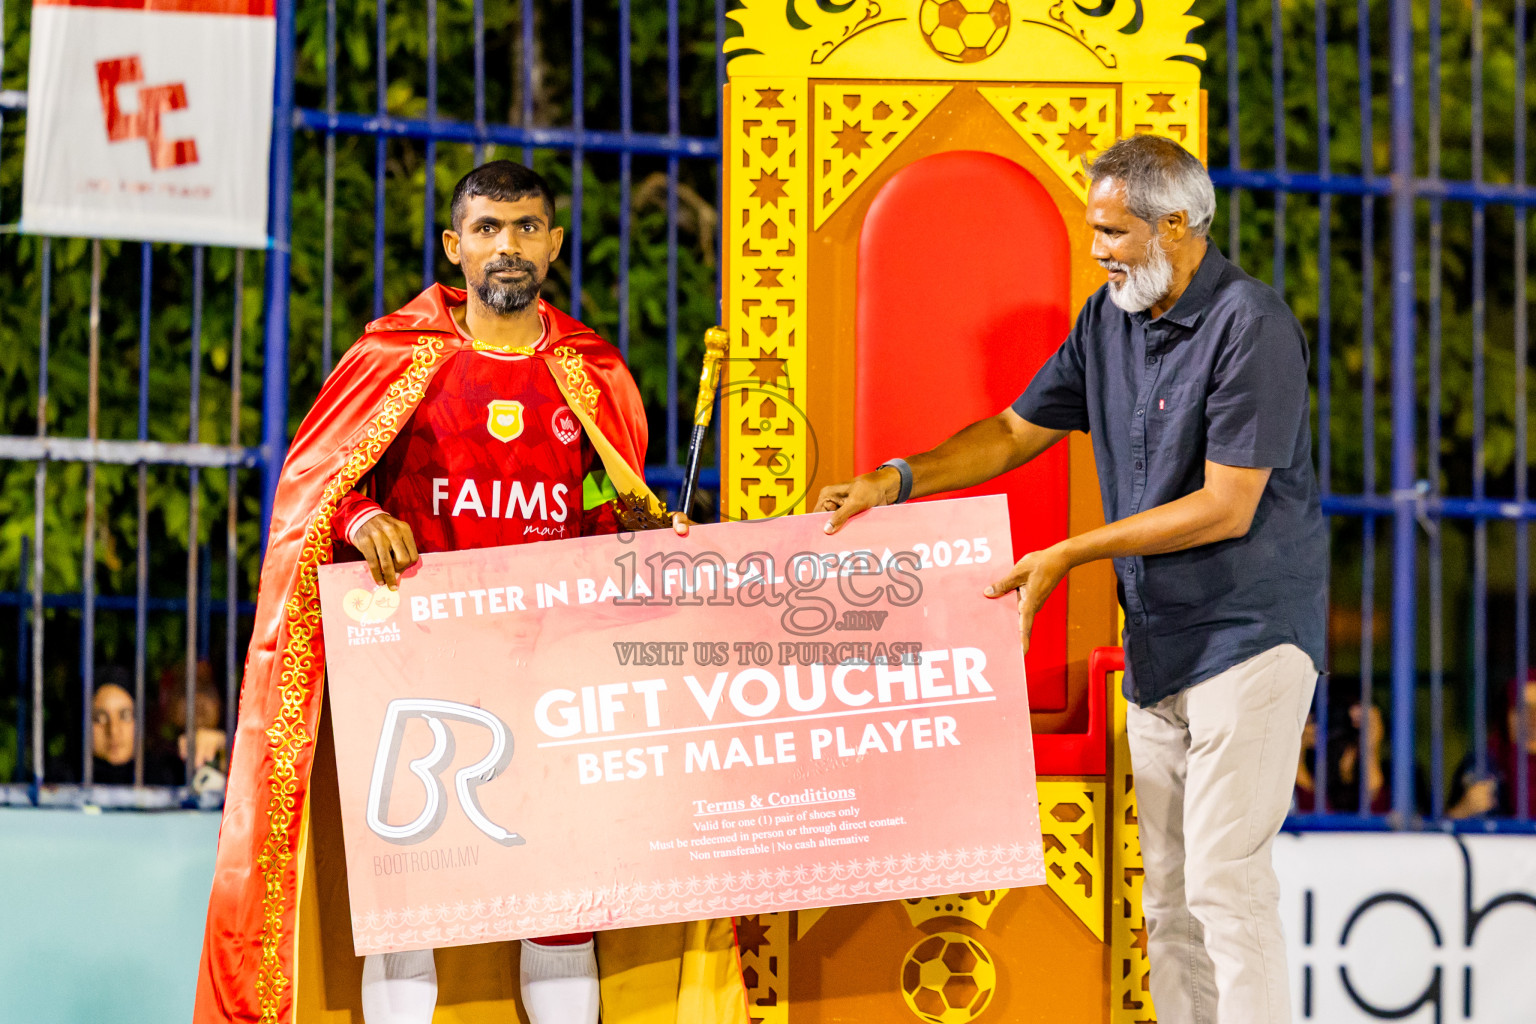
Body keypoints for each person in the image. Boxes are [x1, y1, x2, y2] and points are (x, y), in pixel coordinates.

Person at [195, 161, 744, 1024]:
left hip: (549, 672)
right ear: (455, 246)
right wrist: (361, 522)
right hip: (413, 672)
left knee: (559, 911)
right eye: (487, 228)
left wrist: (641, 534)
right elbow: (321, 487)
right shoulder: (394, 359)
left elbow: (603, 504)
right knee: (407, 912)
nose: (508, 246)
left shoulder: (593, 372)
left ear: (555, 245)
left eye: (527, 227)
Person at [816, 134, 1325, 1024]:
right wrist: (894, 479)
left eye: (1115, 233)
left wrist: (1069, 552)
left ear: (1177, 225)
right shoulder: (1108, 318)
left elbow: (1226, 506)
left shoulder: (1254, 324)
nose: (1098, 250)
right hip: (1158, 645)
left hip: (1249, 642)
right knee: (1166, 904)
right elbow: (1015, 432)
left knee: (1224, 889)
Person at [1448, 670, 1536, 818]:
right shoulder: (1483, 765)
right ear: (1506, 714)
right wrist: (1463, 811)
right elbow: (1438, 834)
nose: (1532, 718)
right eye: (1523, 709)